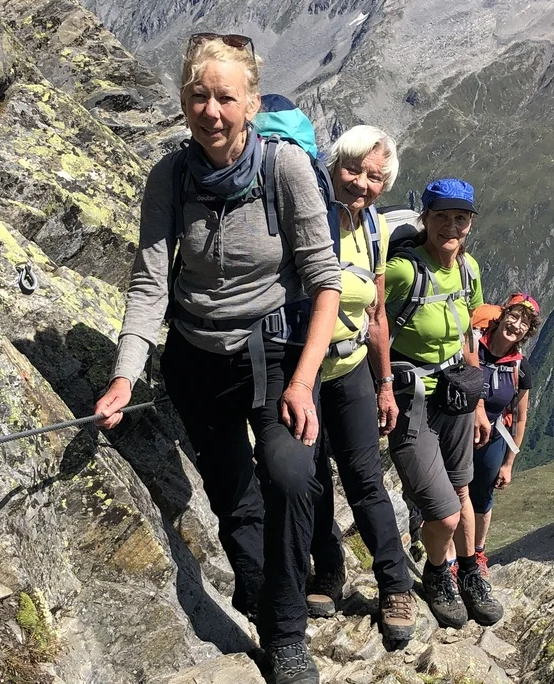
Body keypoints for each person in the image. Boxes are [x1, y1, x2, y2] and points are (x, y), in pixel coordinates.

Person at [94, 33, 340, 684]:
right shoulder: (170, 177)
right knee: (235, 500)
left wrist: (306, 380)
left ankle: (286, 635)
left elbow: (325, 282)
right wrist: (125, 377)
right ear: (182, 100)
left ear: (251, 103)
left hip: (276, 357)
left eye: (225, 97)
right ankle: (270, 607)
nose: (210, 110)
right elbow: (150, 283)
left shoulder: (285, 169)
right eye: (197, 96)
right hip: (197, 364)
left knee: (290, 477)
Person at [304, 126, 417, 640]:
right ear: (335, 164)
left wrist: (385, 384)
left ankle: (395, 587)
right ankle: (329, 571)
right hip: (303, 369)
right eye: (353, 169)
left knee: (365, 479)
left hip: (348, 369)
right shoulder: (309, 212)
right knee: (310, 478)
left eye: (374, 177)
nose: (361, 183)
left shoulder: (375, 228)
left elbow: (376, 314)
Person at [384, 178, 504, 628]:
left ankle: (470, 570)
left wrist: (476, 402)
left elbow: (469, 334)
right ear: (425, 219)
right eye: (441, 217)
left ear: (470, 223)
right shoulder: (402, 272)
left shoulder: (469, 269)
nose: (451, 226)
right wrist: (379, 386)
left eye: (461, 218)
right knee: (444, 510)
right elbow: (376, 326)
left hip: (456, 396)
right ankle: (438, 572)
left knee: (461, 490)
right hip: (411, 401)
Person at [466, 293, 540, 577]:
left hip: (493, 439)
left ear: (527, 332)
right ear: (502, 315)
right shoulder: (473, 345)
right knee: (452, 492)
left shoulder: (520, 369)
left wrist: (508, 464)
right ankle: (450, 555)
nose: (517, 324)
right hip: (458, 432)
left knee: (481, 497)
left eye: (525, 322)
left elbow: (520, 418)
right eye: (514, 316)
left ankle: (477, 552)